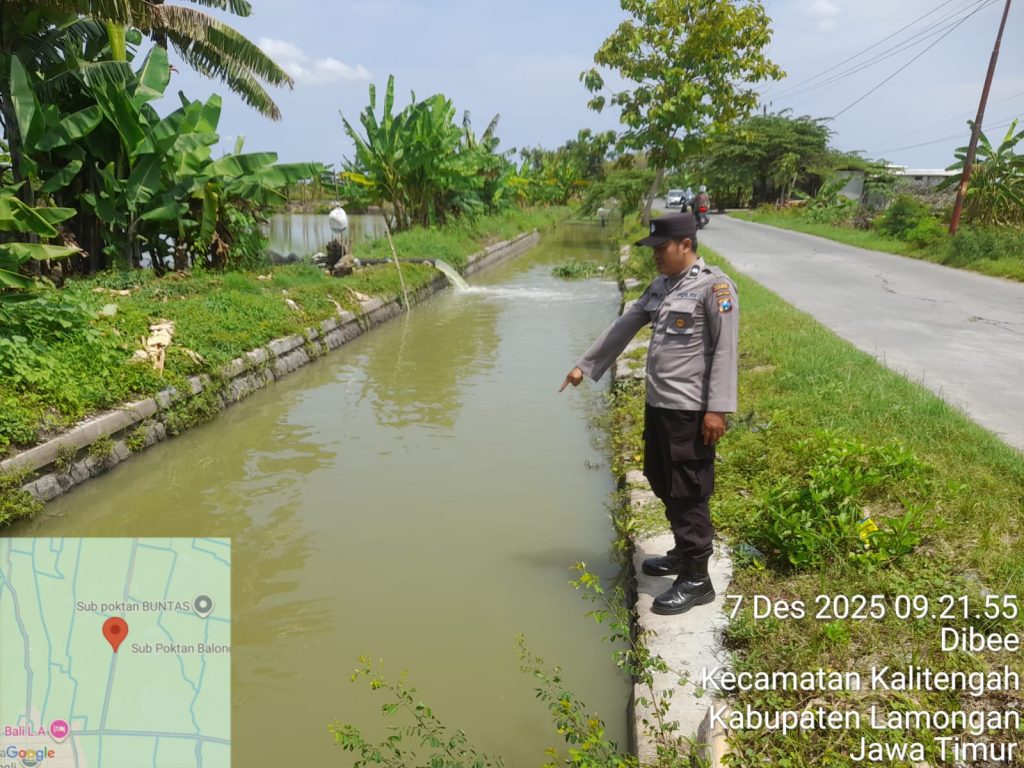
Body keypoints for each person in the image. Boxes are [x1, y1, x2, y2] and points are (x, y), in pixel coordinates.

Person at [560, 212, 738, 616]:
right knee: (660, 478)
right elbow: (625, 325)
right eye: (653, 249)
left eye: (662, 248)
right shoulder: (661, 286)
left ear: (686, 245)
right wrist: (584, 366)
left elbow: (726, 349)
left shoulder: (715, 287)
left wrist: (718, 410)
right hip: (659, 405)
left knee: (688, 489)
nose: (655, 255)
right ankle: (682, 552)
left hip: (690, 410)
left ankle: (697, 578)